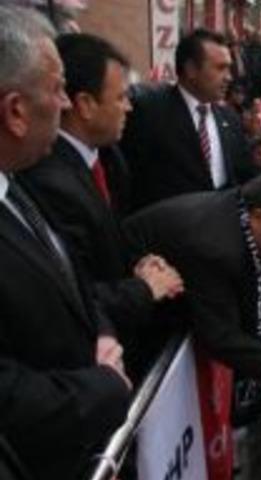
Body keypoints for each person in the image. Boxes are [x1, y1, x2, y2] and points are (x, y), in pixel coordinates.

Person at [0, 7, 131, 479]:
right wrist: (104, 388)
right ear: (16, 111)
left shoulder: (17, 184)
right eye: (57, 89)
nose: (65, 103)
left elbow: (69, 276)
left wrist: (100, 333)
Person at [123, 172, 261, 479]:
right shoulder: (214, 246)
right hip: (135, 332)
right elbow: (218, 335)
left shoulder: (240, 217)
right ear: (257, 217)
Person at [19, 33, 185, 378]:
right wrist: (144, 288)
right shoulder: (47, 182)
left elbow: (112, 238)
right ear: (85, 104)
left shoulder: (109, 158)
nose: (129, 107)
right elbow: (72, 296)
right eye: (121, 97)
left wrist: (142, 265)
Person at [120, 29, 255, 210]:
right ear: (191, 69)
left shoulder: (230, 118)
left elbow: (244, 175)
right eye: (220, 68)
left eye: (229, 68)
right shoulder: (149, 111)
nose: (229, 77)